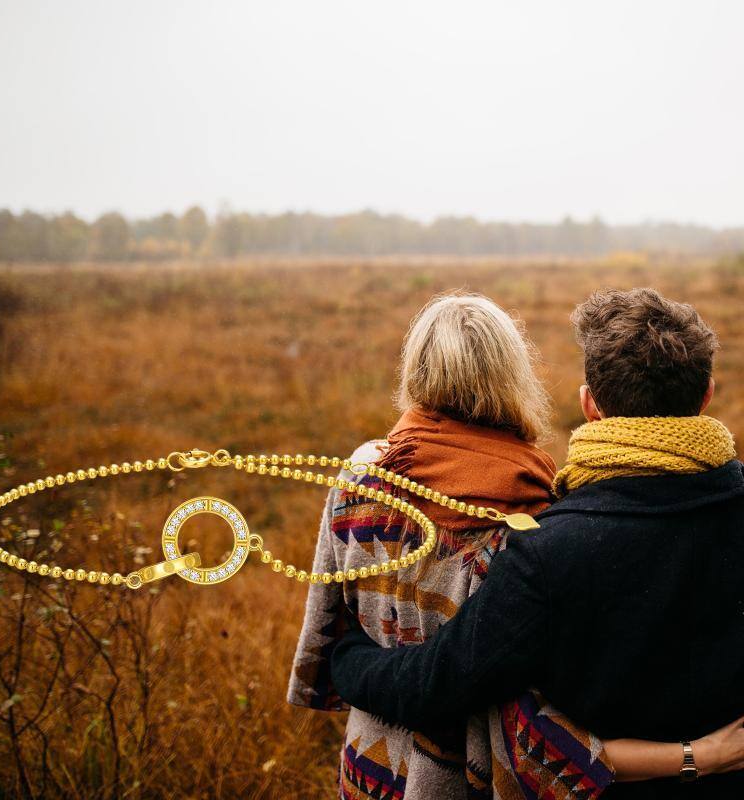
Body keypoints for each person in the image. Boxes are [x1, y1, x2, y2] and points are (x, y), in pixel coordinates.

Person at [289, 291, 744, 799]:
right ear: (707, 394)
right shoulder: (531, 518)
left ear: (589, 404)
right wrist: (698, 756)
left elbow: (425, 677)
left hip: (374, 763)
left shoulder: (545, 543)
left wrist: (345, 660)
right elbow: (524, 722)